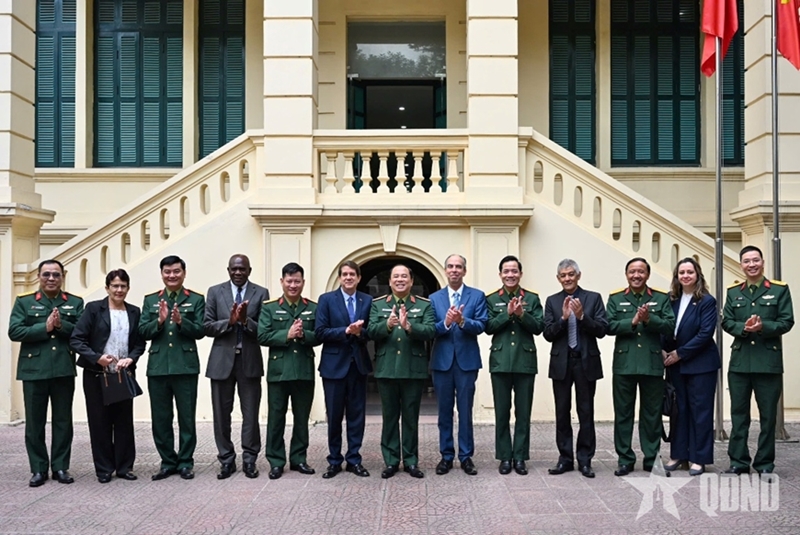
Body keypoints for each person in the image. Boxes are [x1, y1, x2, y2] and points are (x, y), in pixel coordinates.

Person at [9, 259, 84, 487]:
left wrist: (61, 326)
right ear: (39, 276)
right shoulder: (25, 302)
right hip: (34, 370)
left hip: (62, 369)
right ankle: (39, 468)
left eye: (56, 274)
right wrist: (45, 327)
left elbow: (81, 332)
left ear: (63, 276)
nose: (51, 278)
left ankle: (60, 467)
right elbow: (15, 331)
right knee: (35, 423)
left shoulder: (74, 302)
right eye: (46, 274)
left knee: (63, 421)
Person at [722, 245, 794, 475]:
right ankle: (738, 462)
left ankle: (764, 463)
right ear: (741, 265)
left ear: (762, 262)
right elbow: (726, 321)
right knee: (738, 415)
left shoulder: (779, 290)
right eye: (746, 261)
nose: (751, 265)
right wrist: (743, 328)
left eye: (755, 260)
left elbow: (787, 321)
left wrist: (764, 327)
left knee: (768, 417)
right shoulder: (733, 292)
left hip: (768, 363)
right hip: (740, 363)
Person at [70, 269, 146, 483]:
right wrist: (97, 358)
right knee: (99, 422)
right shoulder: (94, 309)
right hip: (97, 375)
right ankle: (104, 469)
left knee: (124, 422)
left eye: (123, 286)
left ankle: (124, 467)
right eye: (115, 286)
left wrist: (131, 358)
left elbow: (140, 343)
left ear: (128, 288)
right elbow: (76, 340)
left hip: (123, 374)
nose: (119, 290)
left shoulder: (134, 311)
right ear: (107, 288)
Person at [606, 257, 674, 476]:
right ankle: (625, 459)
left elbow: (670, 326)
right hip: (624, 364)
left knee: (652, 415)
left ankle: (651, 458)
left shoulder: (660, 298)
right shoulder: (616, 298)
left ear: (648, 274)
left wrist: (648, 319)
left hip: (651, 364)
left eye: (641, 271)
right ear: (626, 274)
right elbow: (608, 326)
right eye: (632, 271)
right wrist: (633, 321)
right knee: (623, 414)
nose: (636, 275)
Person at [139, 255, 205, 481]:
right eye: (167, 272)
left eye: (176, 271)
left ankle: (185, 462)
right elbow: (142, 331)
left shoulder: (195, 299)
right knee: (161, 418)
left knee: (187, 417)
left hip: (185, 366)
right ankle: (167, 462)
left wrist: (181, 322)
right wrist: (159, 321)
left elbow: (201, 330)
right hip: (158, 367)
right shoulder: (151, 300)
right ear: (161, 274)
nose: (172, 275)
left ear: (184, 273)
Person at [366, 264, 435, 479]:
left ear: (411, 281)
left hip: (412, 369)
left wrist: (410, 327)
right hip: (387, 369)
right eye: (396, 276)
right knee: (389, 418)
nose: (400, 280)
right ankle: (391, 461)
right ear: (390, 281)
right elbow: (370, 331)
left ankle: (411, 461)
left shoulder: (424, 305)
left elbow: (431, 330)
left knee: (411, 418)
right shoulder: (378, 304)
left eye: (404, 276)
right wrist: (387, 325)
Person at [203, 254, 269, 480]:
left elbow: (264, 330)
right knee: (221, 415)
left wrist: (245, 321)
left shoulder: (261, 293)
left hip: (249, 361)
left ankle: (249, 460)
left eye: (242, 269)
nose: (238, 272)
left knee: (250, 414)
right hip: (221, 362)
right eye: (234, 269)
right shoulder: (215, 292)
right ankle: (226, 460)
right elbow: (207, 326)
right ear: (228, 270)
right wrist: (230, 322)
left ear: (249, 270)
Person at [543, 258, 607, 479]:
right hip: (561, 362)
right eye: (563, 275)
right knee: (562, 412)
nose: (567, 278)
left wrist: (582, 317)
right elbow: (547, 333)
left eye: (571, 274)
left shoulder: (593, 298)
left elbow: (602, 329)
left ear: (578, 275)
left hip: (585, 361)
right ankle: (565, 459)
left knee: (586, 411)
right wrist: (563, 319)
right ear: (558, 278)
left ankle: (585, 460)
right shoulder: (552, 301)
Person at [258, 262, 320, 480]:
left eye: (297, 281)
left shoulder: (312, 307)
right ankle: (276, 461)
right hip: (279, 372)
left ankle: (299, 458)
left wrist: (303, 335)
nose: (293, 285)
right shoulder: (269, 307)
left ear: (303, 282)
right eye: (289, 281)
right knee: (276, 418)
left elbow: (319, 335)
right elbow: (262, 335)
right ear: (282, 282)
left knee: (302, 418)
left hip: (303, 370)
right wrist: (287, 334)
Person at [660, 258, 720, 477]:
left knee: (700, 412)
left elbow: (705, 333)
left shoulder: (707, 301)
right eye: (681, 272)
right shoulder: (671, 300)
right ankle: (678, 455)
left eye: (690, 272)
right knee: (679, 411)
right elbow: (664, 326)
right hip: (675, 365)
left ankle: (699, 458)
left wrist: (680, 353)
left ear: (698, 275)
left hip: (700, 364)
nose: (685, 276)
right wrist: (663, 350)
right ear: (677, 276)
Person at [485, 255, 544, 476]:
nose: (510, 275)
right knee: (502, 413)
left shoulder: (532, 298)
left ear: (520, 274)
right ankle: (504, 456)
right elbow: (488, 326)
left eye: (514, 271)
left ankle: (519, 457)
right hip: (500, 362)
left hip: (524, 361)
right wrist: (507, 314)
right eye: (506, 271)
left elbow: (539, 327)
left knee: (523, 413)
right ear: (500, 274)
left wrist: (522, 315)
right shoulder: (492, 299)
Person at [429, 254, 488, 476]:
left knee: (465, 411)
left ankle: (465, 456)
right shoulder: (434, 298)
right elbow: (430, 329)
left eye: (459, 267)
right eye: (451, 266)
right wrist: (446, 323)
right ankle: (446, 456)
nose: (454, 270)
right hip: (442, 362)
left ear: (464, 271)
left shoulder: (477, 296)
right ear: (445, 270)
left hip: (466, 362)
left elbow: (482, 325)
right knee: (444, 412)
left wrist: (462, 321)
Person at [314, 260, 373, 478]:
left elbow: (371, 332)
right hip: (333, 366)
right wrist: (346, 331)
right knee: (334, 415)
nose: (348, 278)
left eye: (352, 274)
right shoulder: (326, 300)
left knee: (357, 415)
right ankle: (334, 460)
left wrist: (360, 332)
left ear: (358, 278)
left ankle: (354, 459)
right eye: (345, 274)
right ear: (339, 278)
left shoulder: (367, 300)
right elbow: (320, 332)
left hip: (358, 366)